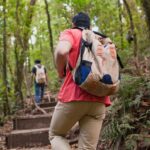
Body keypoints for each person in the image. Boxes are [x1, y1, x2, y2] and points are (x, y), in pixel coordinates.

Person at [49, 12, 111, 150]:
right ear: (89, 25)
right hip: (100, 100)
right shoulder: (100, 38)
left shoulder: (71, 33)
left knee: (56, 135)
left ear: (73, 24)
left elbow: (61, 51)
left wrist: (61, 72)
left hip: (74, 96)